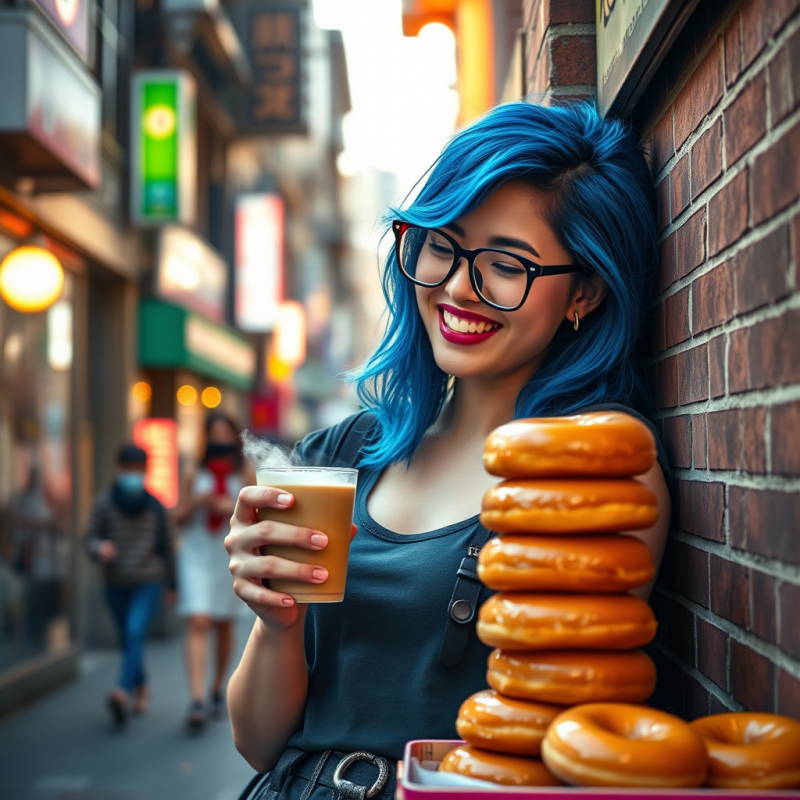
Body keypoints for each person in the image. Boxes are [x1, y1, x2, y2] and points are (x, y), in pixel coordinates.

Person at [225, 102, 672, 799]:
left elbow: (568, 738)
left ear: (584, 291)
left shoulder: (597, 467)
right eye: (442, 244)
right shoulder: (342, 452)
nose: (459, 287)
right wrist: (277, 624)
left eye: (507, 264)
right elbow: (258, 743)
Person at [84, 444, 176, 727]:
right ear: (119, 468)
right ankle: (143, 684)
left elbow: (167, 547)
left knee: (134, 631)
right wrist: (99, 547)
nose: (133, 474)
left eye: (138, 469)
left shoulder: (155, 505)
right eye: (128, 469)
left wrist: (172, 585)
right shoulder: (104, 502)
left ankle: (121, 691)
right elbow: (88, 538)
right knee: (128, 638)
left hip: (148, 582)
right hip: (115, 583)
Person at [173, 412, 255, 730]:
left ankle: (217, 688)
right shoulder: (193, 471)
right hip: (196, 555)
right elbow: (177, 518)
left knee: (223, 622)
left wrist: (230, 507)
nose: (219, 440)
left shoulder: (244, 470)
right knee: (198, 620)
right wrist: (196, 503)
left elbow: (258, 515)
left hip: (228, 555)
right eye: (214, 434)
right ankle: (196, 700)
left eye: (225, 434)